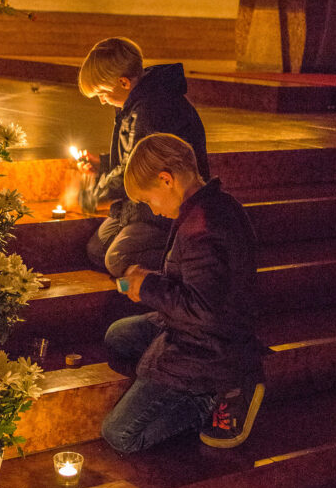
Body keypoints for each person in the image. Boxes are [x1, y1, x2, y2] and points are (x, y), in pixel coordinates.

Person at [101, 133, 264, 453]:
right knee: (118, 335)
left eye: (149, 200)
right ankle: (172, 384)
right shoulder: (213, 205)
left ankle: (211, 397)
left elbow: (205, 310)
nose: (155, 210)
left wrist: (147, 287)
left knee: (119, 434)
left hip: (209, 348)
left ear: (166, 180)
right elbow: (202, 283)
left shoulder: (203, 228)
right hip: (195, 329)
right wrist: (150, 279)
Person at [77, 37, 209, 278]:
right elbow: (131, 156)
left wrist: (93, 196)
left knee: (117, 258)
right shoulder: (136, 103)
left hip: (166, 205)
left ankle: (179, 263)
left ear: (124, 82)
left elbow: (138, 170)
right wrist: (104, 163)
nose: (102, 100)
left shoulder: (151, 109)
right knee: (97, 249)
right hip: (139, 202)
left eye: (103, 93)